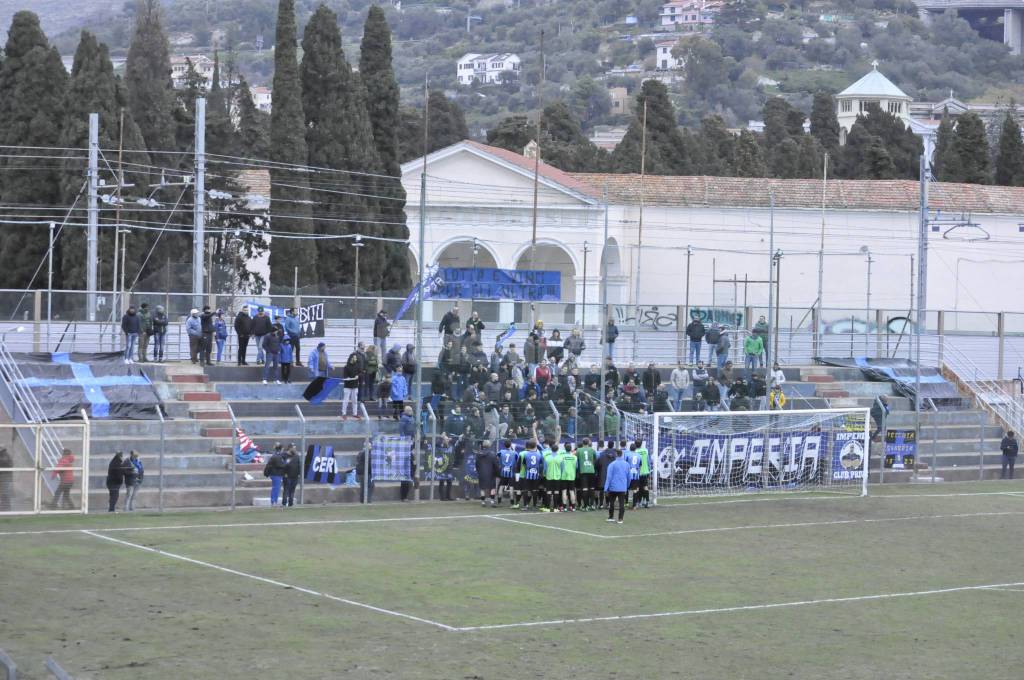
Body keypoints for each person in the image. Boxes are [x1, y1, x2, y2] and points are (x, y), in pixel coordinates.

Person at [604, 448, 629, 524]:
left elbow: (608, 477)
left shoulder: (612, 464)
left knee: (612, 503)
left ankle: (611, 517)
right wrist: (626, 486)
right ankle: (620, 519)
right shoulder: (627, 464)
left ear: (616, 455)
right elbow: (629, 477)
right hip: (622, 487)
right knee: (622, 503)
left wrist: (606, 488)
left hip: (613, 487)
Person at [519, 440, 544, 511]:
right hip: (536, 475)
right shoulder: (539, 454)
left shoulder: (526, 454)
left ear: (529, 446)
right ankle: (534, 506)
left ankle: (525, 505)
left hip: (528, 475)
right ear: (535, 446)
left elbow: (524, 464)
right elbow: (541, 464)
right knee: (535, 490)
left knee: (526, 490)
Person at [576, 438, 597, 510]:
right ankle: (592, 505)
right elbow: (595, 459)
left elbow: (576, 459)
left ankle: (586, 506)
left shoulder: (578, 450)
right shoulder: (592, 450)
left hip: (583, 471)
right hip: (591, 470)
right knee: (592, 488)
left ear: (582, 443)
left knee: (585, 489)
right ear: (588, 443)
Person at [496, 440, 519, 506]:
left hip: (503, 471)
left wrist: (500, 462)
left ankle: (499, 502)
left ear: (504, 445)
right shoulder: (515, 453)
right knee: (511, 487)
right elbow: (517, 461)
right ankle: (512, 502)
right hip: (511, 472)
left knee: (501, 486)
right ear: (510, 445)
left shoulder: (501, 452)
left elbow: (497, 456)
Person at [341, 354, 361, 418]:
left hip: (355, 386)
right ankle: (344, 413)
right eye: (355, 358)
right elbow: (344, 376)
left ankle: (355, 413)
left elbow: (361, 373)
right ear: (351, 358)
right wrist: (347, 378)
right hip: (347, 386)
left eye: (356, 358)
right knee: (346, 400)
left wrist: (358, 375)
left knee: (355, 400)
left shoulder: (357, 366)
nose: (356, 359)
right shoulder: (346, 367)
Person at [0, 447, 13, 512]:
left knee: (5, 492)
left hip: (5, 476)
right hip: (3, 475)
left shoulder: (5, 455)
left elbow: (5, 461)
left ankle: (6, 508)